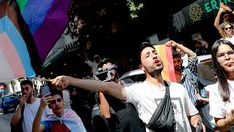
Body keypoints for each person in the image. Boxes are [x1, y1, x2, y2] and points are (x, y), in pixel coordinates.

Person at [51, 42, 204, 132]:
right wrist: (70, 80)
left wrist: (197, 122)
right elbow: (105, 88)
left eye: (154, 53)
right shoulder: (138, 90)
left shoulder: (179, 89)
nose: (154, 56)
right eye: (148, 55)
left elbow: (193, 115)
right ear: (142, 67)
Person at [95, 58, 145, 132]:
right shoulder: (100, 93)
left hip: (139, 127)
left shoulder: (127, 82)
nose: (108, 72)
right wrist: (102, 88)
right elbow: (106, 115)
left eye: (110, 68)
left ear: (116, 69)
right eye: (105, 71)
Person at [166, 40, 201, 106]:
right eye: (174, 62)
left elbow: (193, 56)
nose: (177, 64)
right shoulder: (168, 78)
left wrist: (177, 45)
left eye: (178, 61)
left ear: (181, 61)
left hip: (197, 108)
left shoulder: (188, 71)